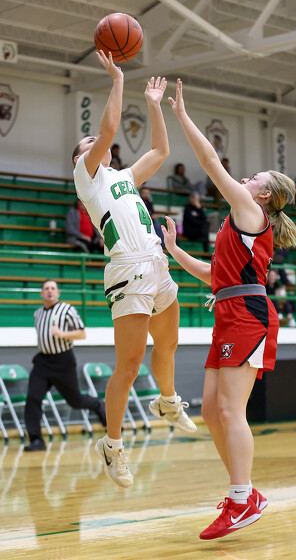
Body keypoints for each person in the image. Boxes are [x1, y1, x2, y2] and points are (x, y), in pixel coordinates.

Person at [163, 78, 296, 540]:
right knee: (210, 409)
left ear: (264, 195)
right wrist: (174, 251)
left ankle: (241, 499)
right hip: (228, 310)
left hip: (248, 315)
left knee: (230, 408)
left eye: (255, 177)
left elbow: (210, 163)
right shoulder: (236, 221)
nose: (246, 178)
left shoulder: (250, 211)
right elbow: (214, 275)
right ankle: (247, 494)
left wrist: (182, 116)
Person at [72, 53, 196, 488]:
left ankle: (167, 401)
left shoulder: (123, 176)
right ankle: (112, 445)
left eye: (95, 143)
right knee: (128, 365)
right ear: (80, 158)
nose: (96, 143)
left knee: (169, 343)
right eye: (87, 143)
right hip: (127, 271)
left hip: (157, 263)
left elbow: (161, 150)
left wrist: (154, 105)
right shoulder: (87, 178)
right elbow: (107, 131)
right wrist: (118, 79)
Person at [24, 279, 106, 451]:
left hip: (63, 361)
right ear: (42, 293)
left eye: (53, 288)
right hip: (42, 361)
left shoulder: (67, 310)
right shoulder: (37, 314)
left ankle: (98, 404)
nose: (50, 291)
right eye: (46, 288)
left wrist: (62, 334)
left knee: (75, 401)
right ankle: (36, 440)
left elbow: (82, 334)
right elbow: (43, 338)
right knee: (33, 398)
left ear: (58, 293)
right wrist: (40, 354)